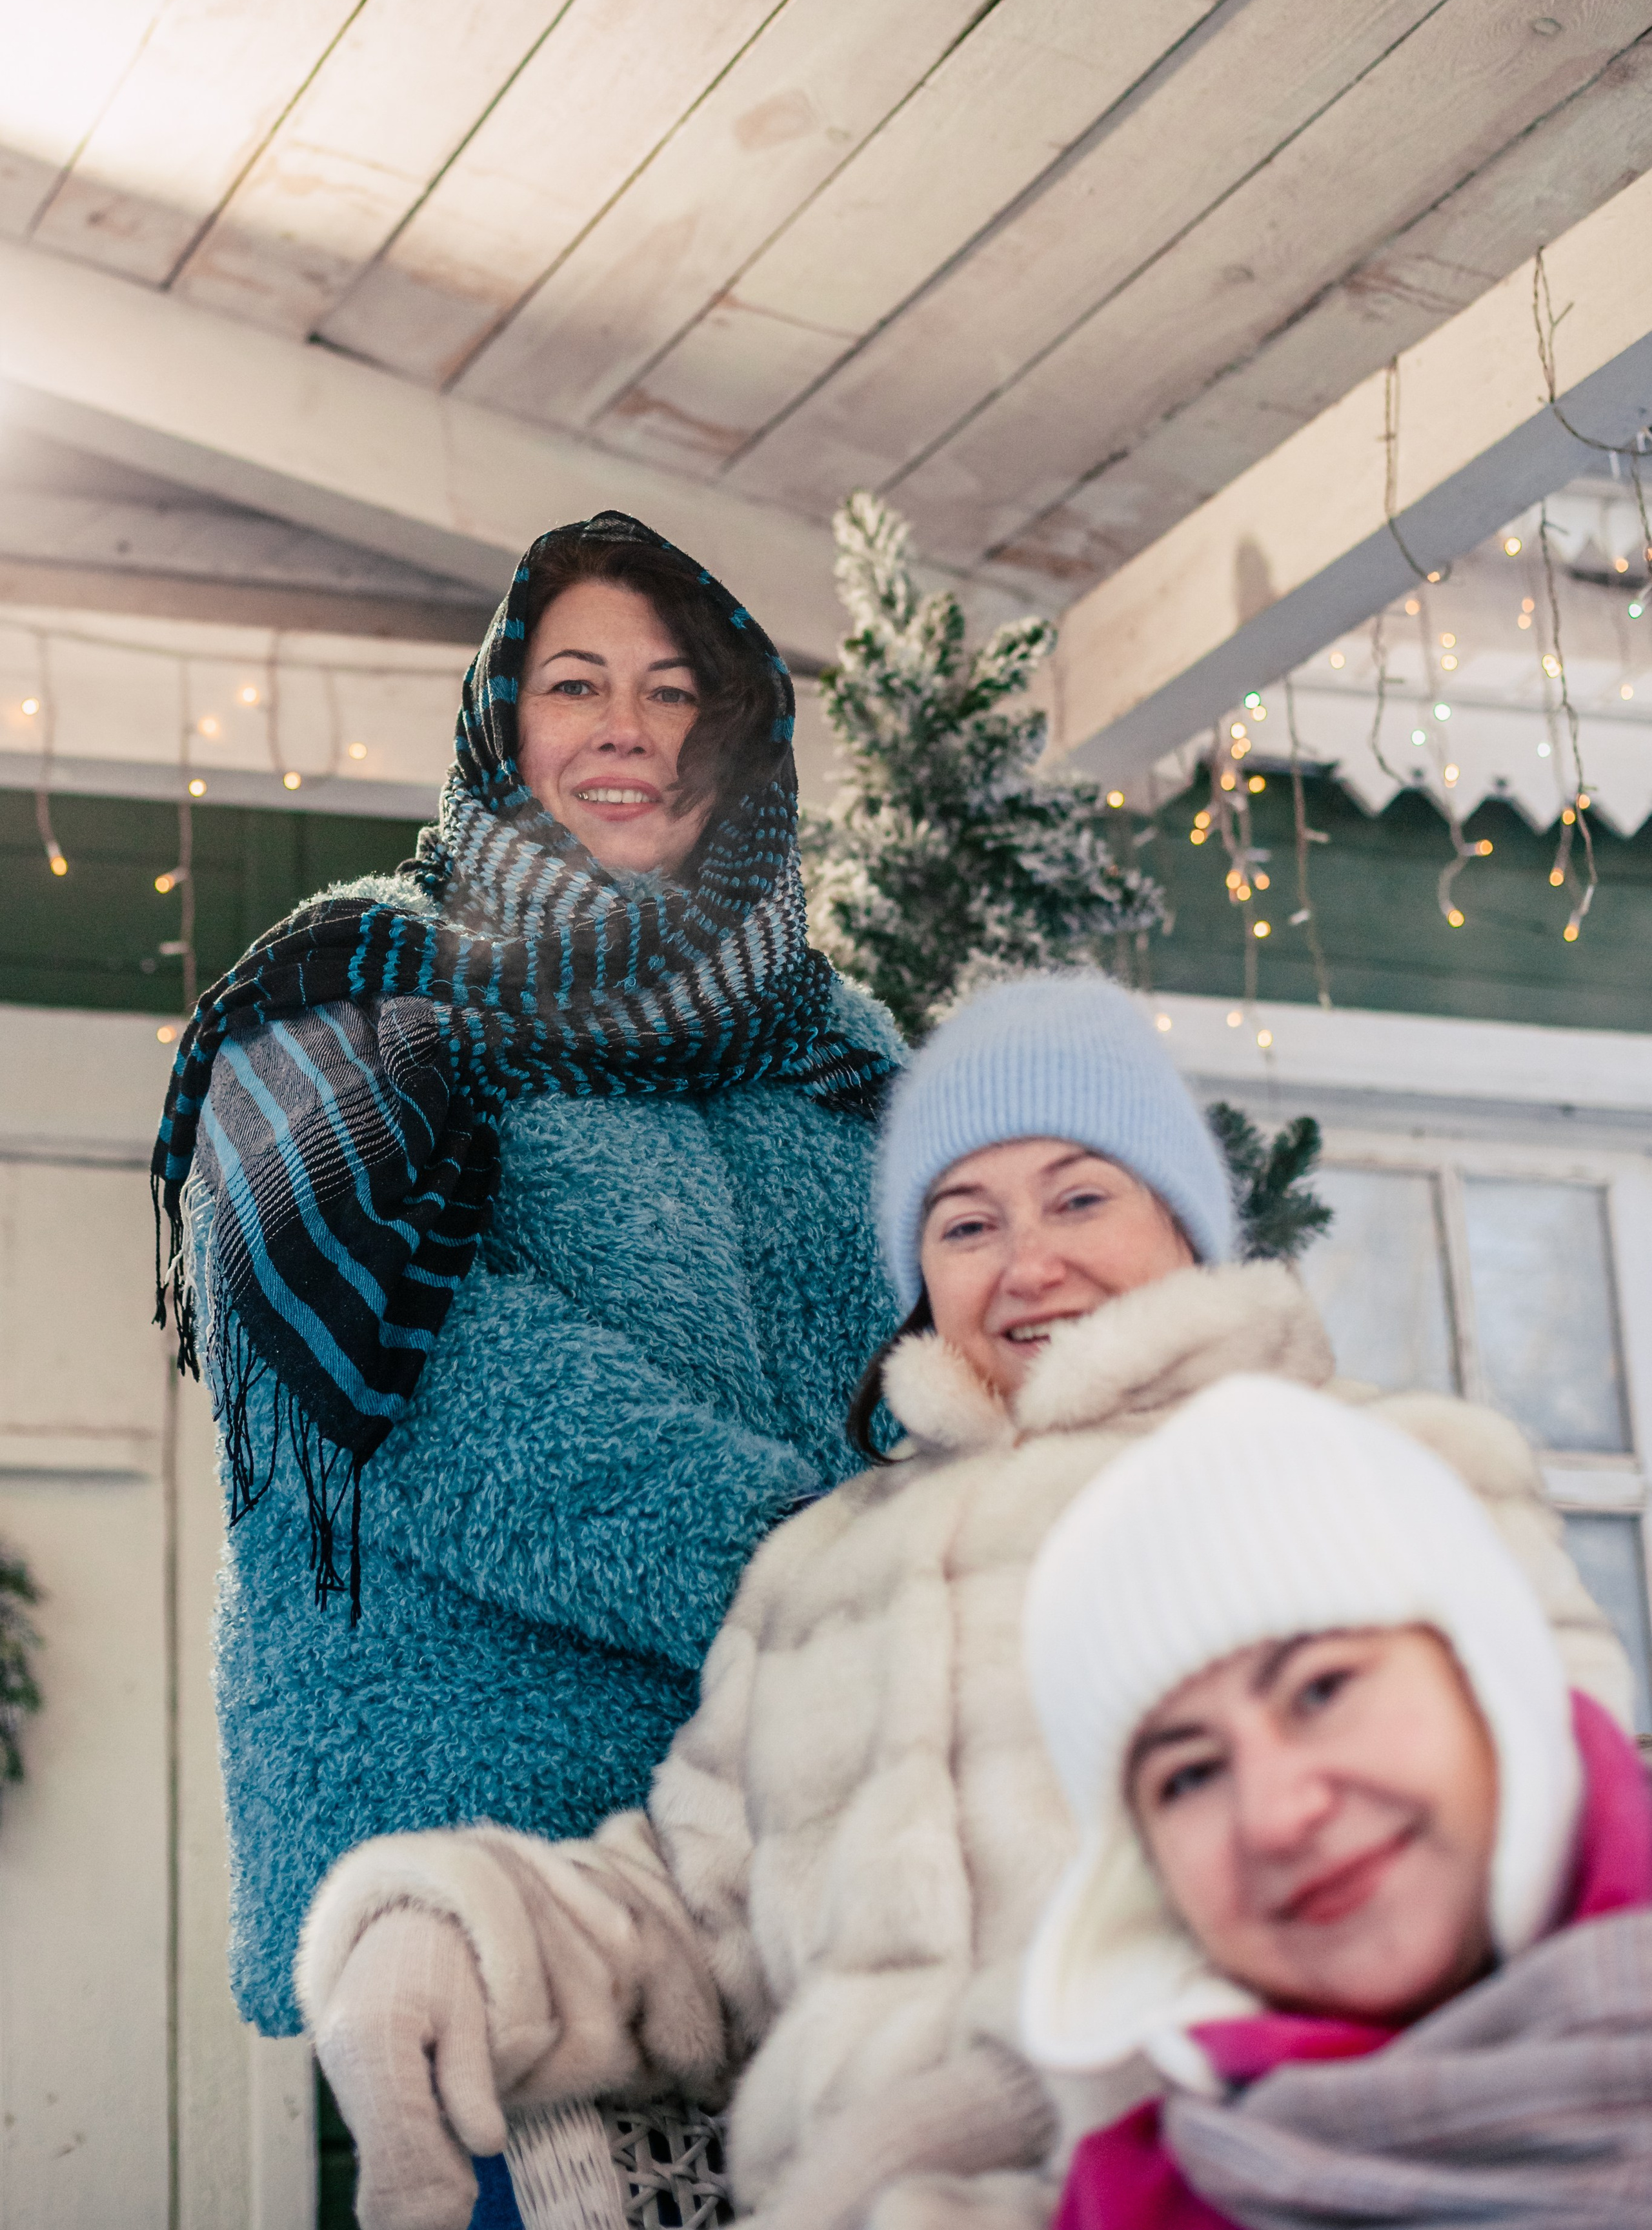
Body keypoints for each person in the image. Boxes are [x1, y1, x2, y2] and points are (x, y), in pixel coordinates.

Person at [296, 971, 1631, 2230]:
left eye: (1078, 1198)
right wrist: (457, 1930)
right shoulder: (818, 1567)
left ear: (1181, 1216)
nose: (1027, 1263)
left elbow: (1547, 1861)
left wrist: (1053, 2089)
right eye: (968, 1223)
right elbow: (695, 1918)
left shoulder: (1378, 1470)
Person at [149, 510, 903, 2093]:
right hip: (493, 1899)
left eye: (672, 688)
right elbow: (420, 1396)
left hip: (826, 1888)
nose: (626, 728)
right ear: (503, 727)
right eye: (573, 686)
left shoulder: (841, 1047)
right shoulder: (344, 998)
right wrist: (829, 1588)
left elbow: (942, 1352)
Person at [1021, 1377, 1652, 2229]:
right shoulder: (1135, 2204)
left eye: (1321, 1690)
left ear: (1484, 1668)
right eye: (1190, 1775)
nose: (1279, 1814)